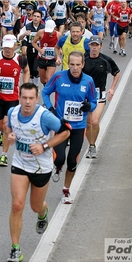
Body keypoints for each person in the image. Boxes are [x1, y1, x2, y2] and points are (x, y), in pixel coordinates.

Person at [6, 83, 71, 262]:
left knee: (35, 206)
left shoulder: (45, 117)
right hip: (20, 164)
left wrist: (44, 146)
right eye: (24, 97)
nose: (27, 102)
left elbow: (66, 132)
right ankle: (15, 249)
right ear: (19, 98)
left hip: (41, 167)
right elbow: (8, 131)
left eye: (31, 98)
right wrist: (10, 137)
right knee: (17, 205)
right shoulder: (12, 113)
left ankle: (43, 212)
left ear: (37, 99)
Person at [41, 51, 97, 204]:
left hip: (79, 126)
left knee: (72, 161)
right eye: (72, 64)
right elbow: (45, 92)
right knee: (59, 158)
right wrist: (50, 109)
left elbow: (94, 101)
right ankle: (58, 167)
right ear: (68, 64)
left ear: (83, 65)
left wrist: (89, 106)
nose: (75, 68)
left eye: (78, 65)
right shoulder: (59, 77)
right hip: (61, 125)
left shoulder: (89, 81)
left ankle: (66, 190)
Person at [0, 34, 30, 166]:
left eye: (10, 47)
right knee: (0, 126)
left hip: (13, 98)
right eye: (5, 47)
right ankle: (3, 133)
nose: (7, 50)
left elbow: (26, 71)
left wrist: (24, 86)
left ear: (15, 46)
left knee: (6, 125)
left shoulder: (20, 59)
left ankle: (3, 155)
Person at [83, 36, 121, 158]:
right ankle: (91, 145)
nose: (94, 47)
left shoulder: (105, 60)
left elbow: (117, 72)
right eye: (92, 45)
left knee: (94, 121)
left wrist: (112, 88)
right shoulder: (83, 59)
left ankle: (93, 146)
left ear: (100, 46)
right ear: (89, 46)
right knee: (88, 124)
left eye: (96, 45)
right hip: (85, 95)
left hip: (99, 94)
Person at [18, 9, 45, 86]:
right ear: (32, 17)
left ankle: (35, 87)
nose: (36, 18)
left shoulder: (43, 28)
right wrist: (24, 34)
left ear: (41, 18)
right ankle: (31, 83)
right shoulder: (27, 27)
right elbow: (19, 38)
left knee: (35, 69)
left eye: (38, 17)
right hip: (30, 49)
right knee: (30, 70)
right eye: (34, 16)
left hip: (38, 50)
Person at [32, 19, 61, 87]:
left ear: (54, 27)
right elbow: (33, 43)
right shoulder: (41, 32)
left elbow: (60, 46)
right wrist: (40, 50)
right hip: (42, 59)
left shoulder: (58, 34)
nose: (49, 33)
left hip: (52, 59)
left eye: (50, 31)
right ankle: (46, 87)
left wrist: (59, 56)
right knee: (43, 80)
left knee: (48, 79)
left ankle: (47, 93)